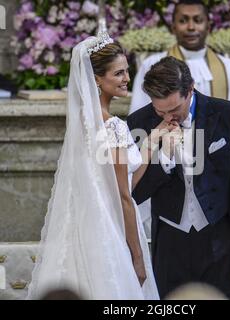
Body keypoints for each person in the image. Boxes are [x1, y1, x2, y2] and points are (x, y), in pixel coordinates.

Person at [26, 31, 160, 300]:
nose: (127, 79)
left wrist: (149, 146)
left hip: (84, 227)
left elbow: (114, 183)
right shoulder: (113, 126)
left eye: (126, 71)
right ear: (97, 79)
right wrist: (136, 257)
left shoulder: (83, 124)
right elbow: (123, 195)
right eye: (119, 73)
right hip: (112, 230)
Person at [126, 56, 230, 300]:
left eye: (174, 109)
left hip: (221, 241)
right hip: (169, 244)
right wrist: (164, 158)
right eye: (160, 110)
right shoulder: (139, 122)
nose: (168, 117)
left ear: (190, 90)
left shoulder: (227, 114)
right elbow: (136, 192)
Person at [130, 0, 230, 141]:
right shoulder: (151, 65)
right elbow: (139, 121)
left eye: (198, 20)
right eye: (183, 20)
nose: (191, 27)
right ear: (173, 27)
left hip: (217, 160)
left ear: (208, 26)